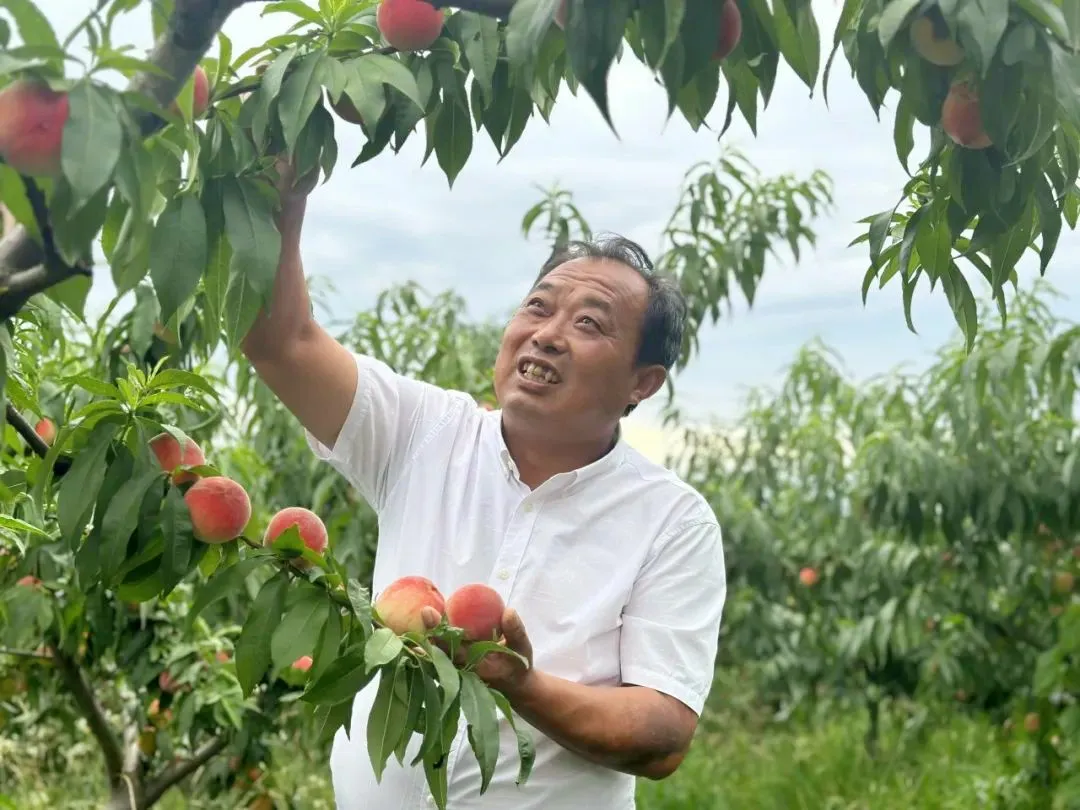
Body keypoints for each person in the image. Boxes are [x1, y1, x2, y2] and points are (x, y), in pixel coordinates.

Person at [242, 162, 728, 809]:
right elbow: (281, 343)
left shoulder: (670, 520)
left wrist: (519, 684)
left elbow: (662, 734)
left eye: (589, 324)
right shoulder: (424, 432)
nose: (548, 335)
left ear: (643, 383)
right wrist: (284, 196)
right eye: (538, 307)